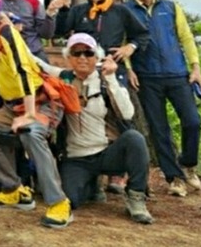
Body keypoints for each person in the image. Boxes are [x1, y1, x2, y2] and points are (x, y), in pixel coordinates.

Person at [0, 0, 72, 229]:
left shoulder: (6, 33)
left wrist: (30, 115)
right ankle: (14, 189)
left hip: (41, 101)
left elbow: (24, 72)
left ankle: (59, 202)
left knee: (31, 134)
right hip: (12, 105)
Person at [50, 0, 149, 193]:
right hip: (81, 72)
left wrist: (128, 48)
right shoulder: (79, 10)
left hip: (111, 71)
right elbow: (60, 30)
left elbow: (142, 34)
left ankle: (119, 175)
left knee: (122, 118)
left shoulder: (120, 11)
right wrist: (63, 11)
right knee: (78, 114)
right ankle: (85, 172)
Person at [36, 33, 154, 224]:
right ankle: (91, 184)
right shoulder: (63, 78)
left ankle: (136, 197)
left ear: (97, 57)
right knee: (70, 199)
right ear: (69, 58)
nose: (82, 57)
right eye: (76, 53)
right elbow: (38, 64)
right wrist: (8, 30)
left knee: (134, 138)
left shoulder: (106, 81)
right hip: (76, 158)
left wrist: (112, 79)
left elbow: (127, 114)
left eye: (88, 53)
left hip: (106, 152)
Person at [125, 0, 201, 197]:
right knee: (159, 129)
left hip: (178, 74)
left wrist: (196, 68)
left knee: (193, 121)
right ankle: (174, 178)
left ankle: (188, 164)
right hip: (146, 77)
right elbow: (122, 43)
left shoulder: (170, 7)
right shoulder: (126, 10)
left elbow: (186, 38)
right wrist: (129, 69)